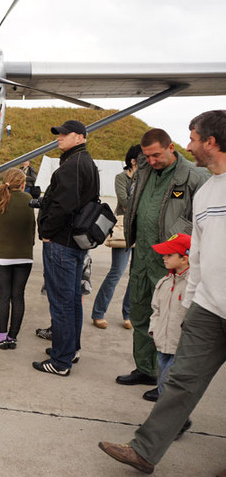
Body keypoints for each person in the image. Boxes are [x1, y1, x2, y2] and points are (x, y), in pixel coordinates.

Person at [98, 110, 226, 475]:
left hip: (189, 277)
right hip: (207, 305)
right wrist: (194, 295)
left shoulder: (196, 179)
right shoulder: (210, 190)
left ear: (210, 142)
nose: (190, 145)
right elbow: (200, 249)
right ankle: (145, 451)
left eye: (193, 138)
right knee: (182, 378)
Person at [116, 128, 209, 392]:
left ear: (170, 148)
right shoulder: (145, 169)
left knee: (170, 323)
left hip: (172, 262)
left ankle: (166, 381)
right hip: (142, 255)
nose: (152, 160)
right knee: (141, 312)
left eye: (156, 155)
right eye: (147, 156)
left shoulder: (194, 176)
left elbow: (202, 222)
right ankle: (146, 368)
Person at [32, 120, 99, 376]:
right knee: (71, 301)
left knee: (61, 303)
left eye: (64, 134)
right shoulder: (85, 162)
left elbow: (63, 205)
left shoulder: (73, 165)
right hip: (74, 241)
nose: (59, 137)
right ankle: (70, 349)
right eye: (58, 133)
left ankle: (61, 361)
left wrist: (47, 233)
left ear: (80, 137)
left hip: (62, 242)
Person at [0, 168, 35, 349]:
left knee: (3, 297)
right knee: (18, 297)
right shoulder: (29, 200)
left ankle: (2, 336)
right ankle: (13, 336)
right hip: (24, 256)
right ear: (22, 184)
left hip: (0, 257)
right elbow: (31, 229)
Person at [90, 144, 140, 329]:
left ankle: (128, 314)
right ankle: (98, 313)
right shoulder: (122, 178)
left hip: (142, 229)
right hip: (123, 228)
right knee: (117, 272)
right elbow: (125, 203)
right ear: (134, 160)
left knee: (136, 275)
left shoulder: (147, 177)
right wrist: (137, 178)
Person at [145, 233, 191, 407]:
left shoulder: (192, 285)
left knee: (169, 386)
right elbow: (156, 309)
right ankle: (176, 420)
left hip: (179, 346)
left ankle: (176, 422)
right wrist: (154, 331)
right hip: (162, 345)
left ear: (184, 259)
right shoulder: (165, 282)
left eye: (169, 255)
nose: (164, 257)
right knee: (162, 383)